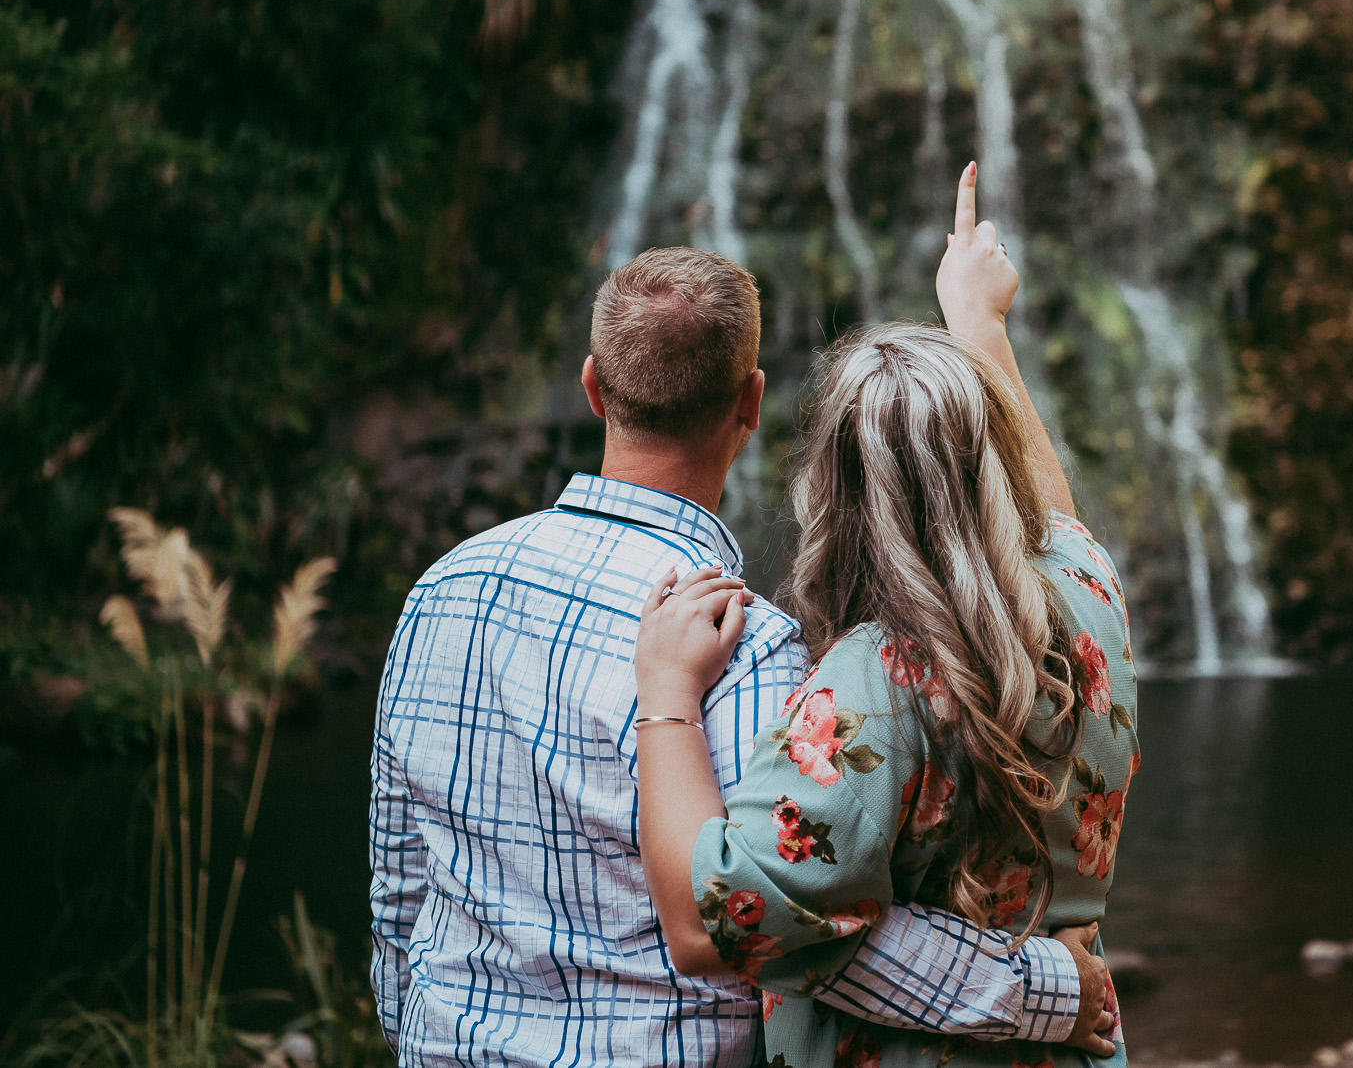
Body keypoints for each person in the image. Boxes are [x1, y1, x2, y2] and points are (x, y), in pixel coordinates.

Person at [370, 244, 1114, 1067]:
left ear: (592, 385)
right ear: (753, 402)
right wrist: (1047, 989)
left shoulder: (444, 589)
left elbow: (399, 880)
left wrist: (410, 1033)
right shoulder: (750, 648)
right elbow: (792, 936)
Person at [630, 164, 1140, 1068]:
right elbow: (1050, 513)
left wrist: (666, 697)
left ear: (834, 487)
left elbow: (718, 924)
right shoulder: (1086, 587)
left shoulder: (878, 677)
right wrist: (980, 321)